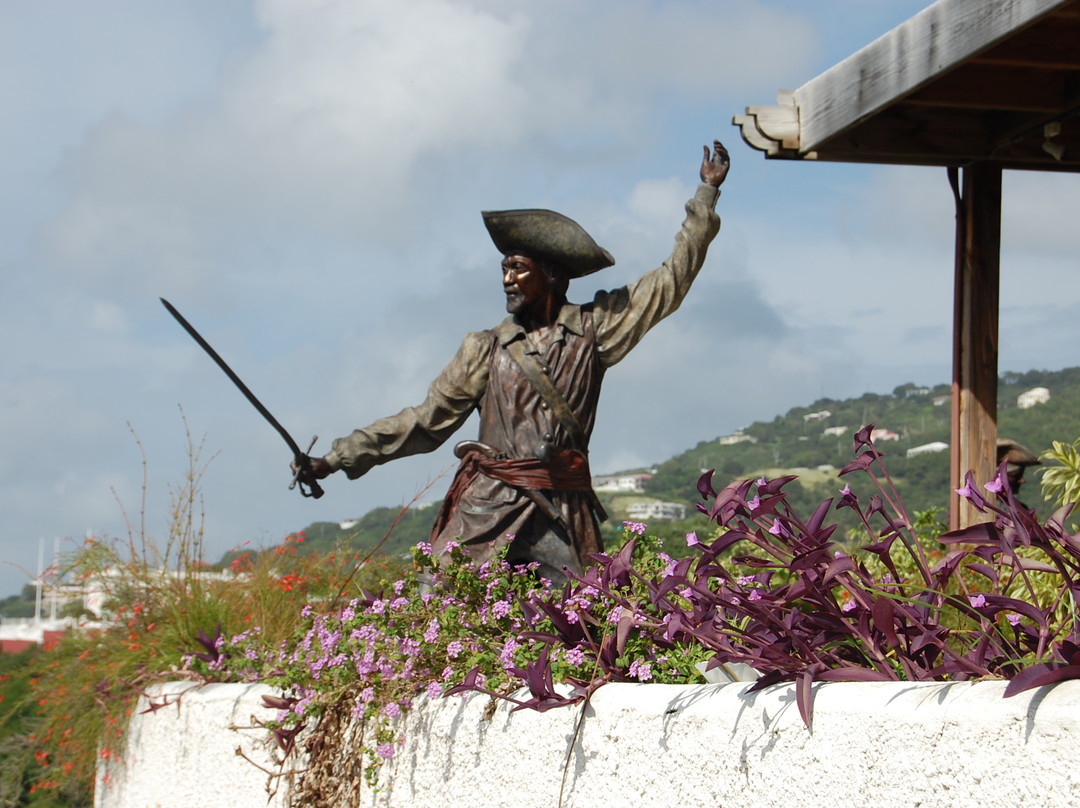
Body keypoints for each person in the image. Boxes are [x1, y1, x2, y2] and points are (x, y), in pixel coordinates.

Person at [295, 141, 731, 585]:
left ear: (552, 274)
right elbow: (424, 421)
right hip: (488, 505)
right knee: (434, 596)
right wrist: (336, 458)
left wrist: (705, 195)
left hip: (563, 508)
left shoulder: (595, 329)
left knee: (588, 613)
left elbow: (671, 281)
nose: (506, 279)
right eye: (504, 268)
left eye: (518, 268)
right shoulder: (484, 348)